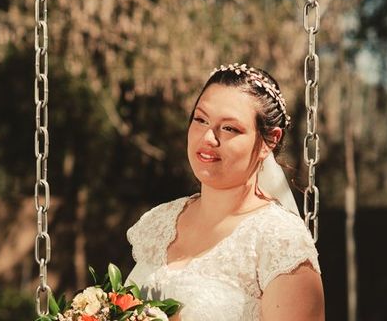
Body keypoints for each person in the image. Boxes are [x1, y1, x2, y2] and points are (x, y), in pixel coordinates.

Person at [126, 63, 324, 321]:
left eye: (229, 128)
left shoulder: (281, 241)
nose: (208, 137)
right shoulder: (159, 223)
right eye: (201, 119)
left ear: (269, 141)